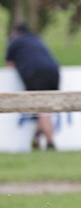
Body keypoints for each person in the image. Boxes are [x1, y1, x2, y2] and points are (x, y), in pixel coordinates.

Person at [5, 21, 61, 149]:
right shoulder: (36, 39)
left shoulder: (15, 42)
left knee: (41, 109)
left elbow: (9, 65)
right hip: (54, 71)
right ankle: (37, 135)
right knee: (45, 108)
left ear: (15, 32)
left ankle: (51, 143)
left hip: (35, 73)